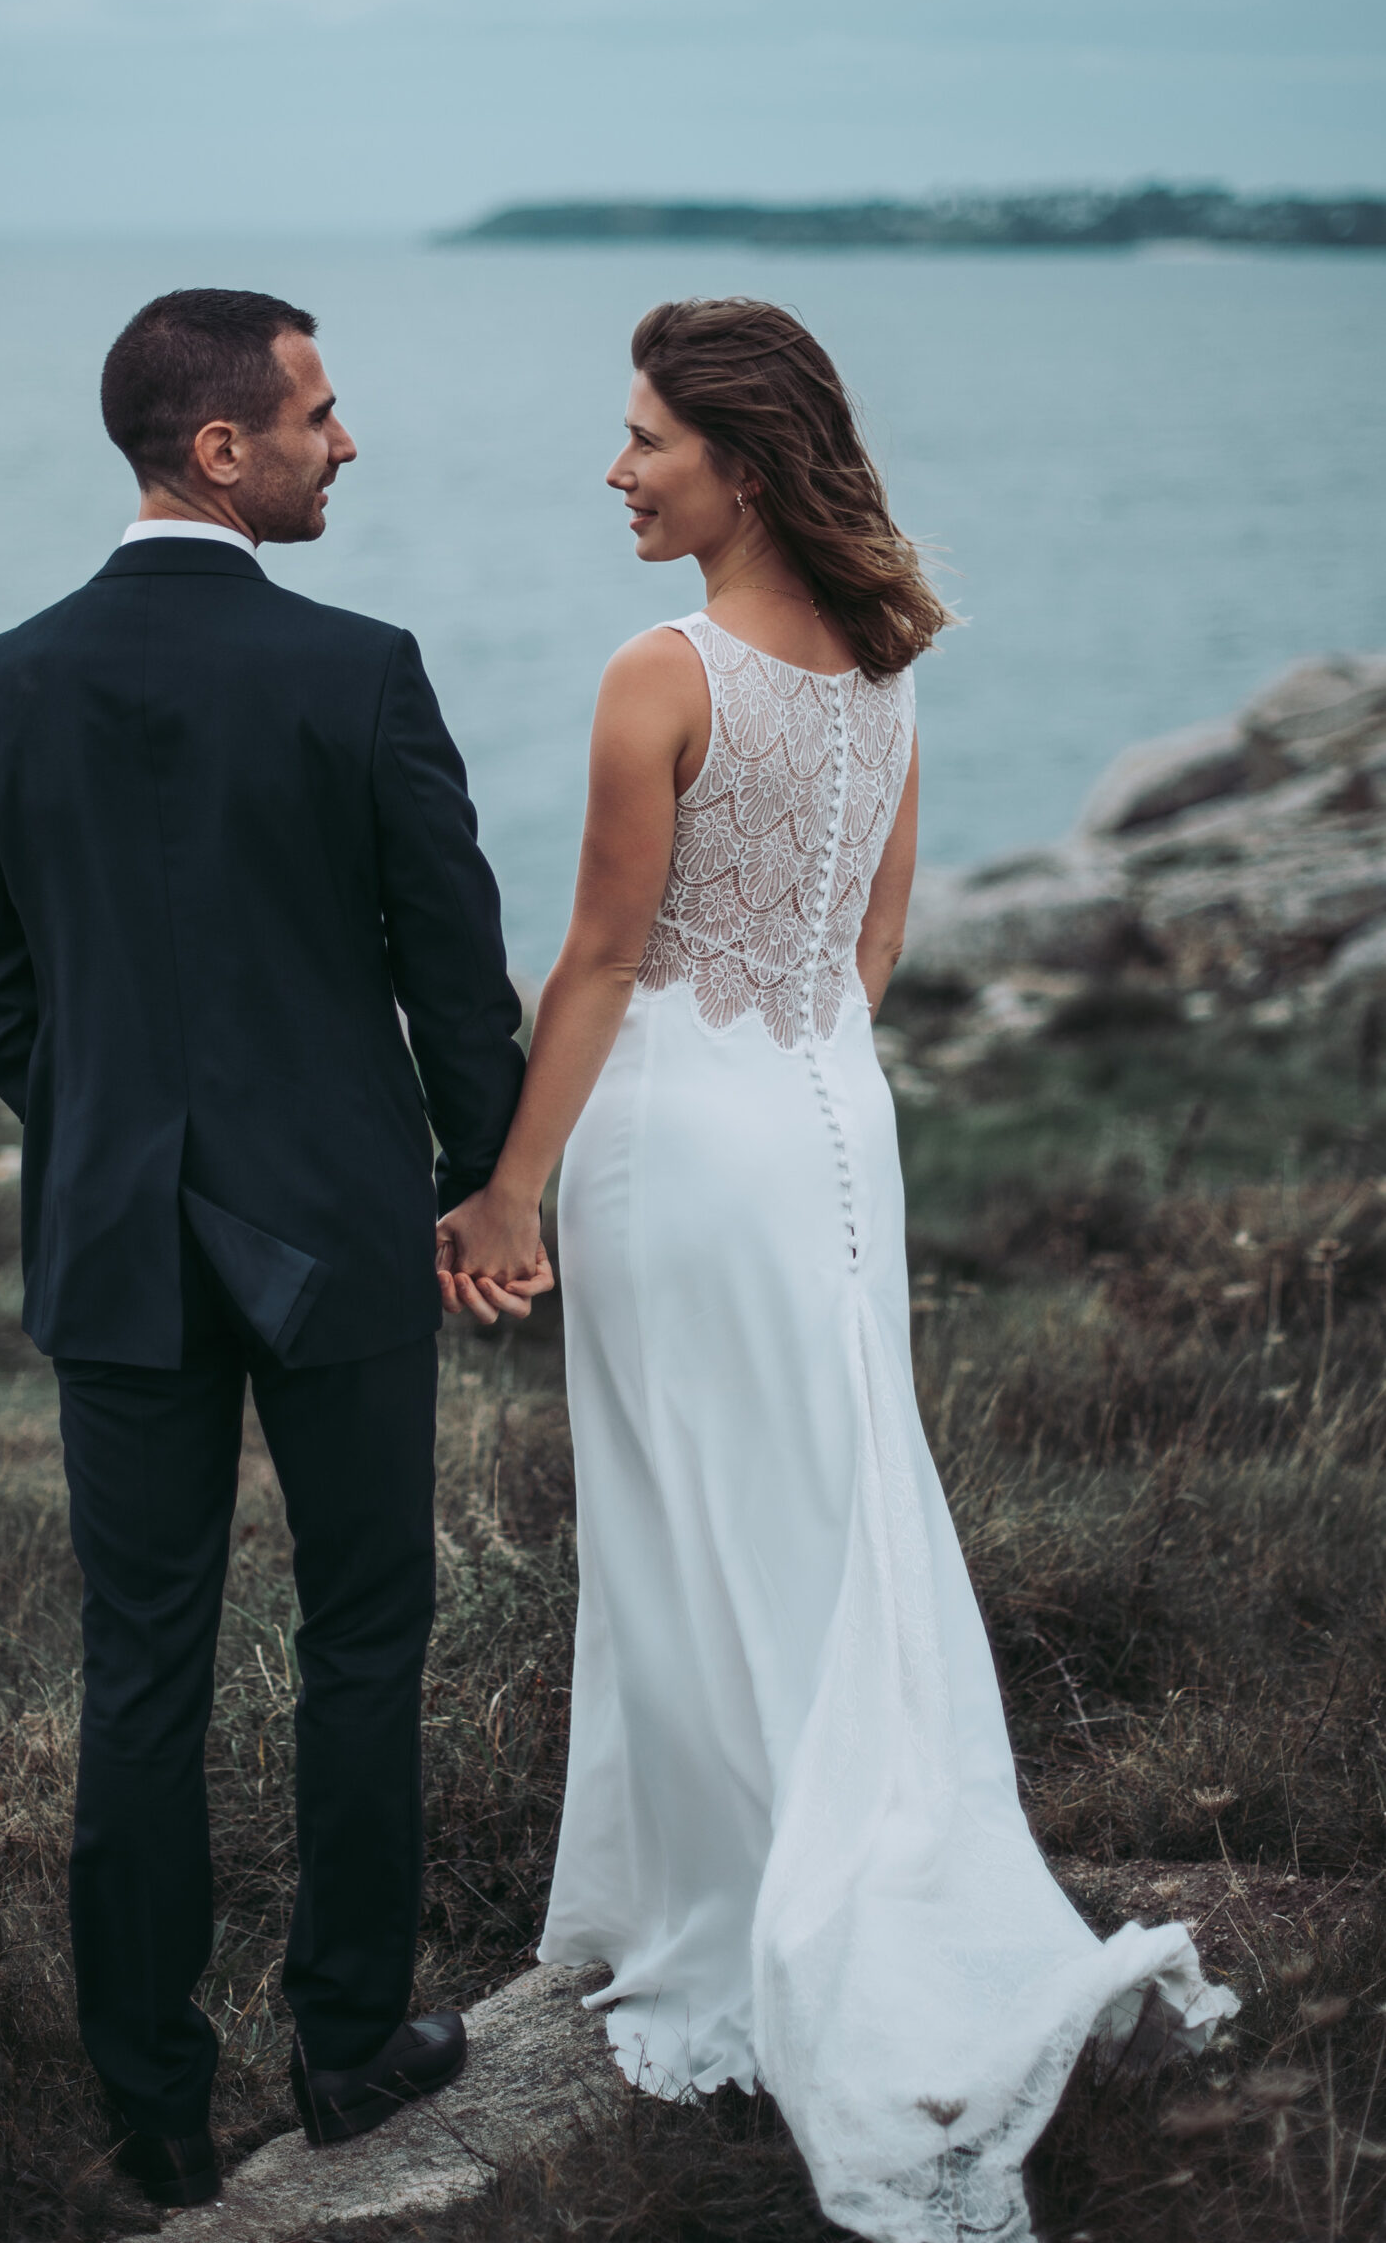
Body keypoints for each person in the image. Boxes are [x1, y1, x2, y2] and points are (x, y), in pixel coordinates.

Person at [437, 298, 1236, 2242]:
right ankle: (797, 1867)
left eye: (643, 437)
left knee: (697, 1518)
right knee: (836, 1505)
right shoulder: (889, 670)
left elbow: (606, 962)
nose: (616, 469)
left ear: (746, 456)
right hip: (825, 1125)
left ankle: (734, 1907)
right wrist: (803, 1081)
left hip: (682, 1141)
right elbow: (863, 953)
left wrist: (507, 1189)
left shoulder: (664, 671)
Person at [0, 289, 547, 2208]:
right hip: (343, 1230)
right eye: (319, 415)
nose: (341, 444)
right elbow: (452, 972)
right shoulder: (358, 671)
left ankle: (156, 2115)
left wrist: (119, 1148)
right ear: (222, 449)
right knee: (364, 1634)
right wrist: (479, 1174)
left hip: (116, 1243)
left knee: (143, 1670)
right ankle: (351, 2047)